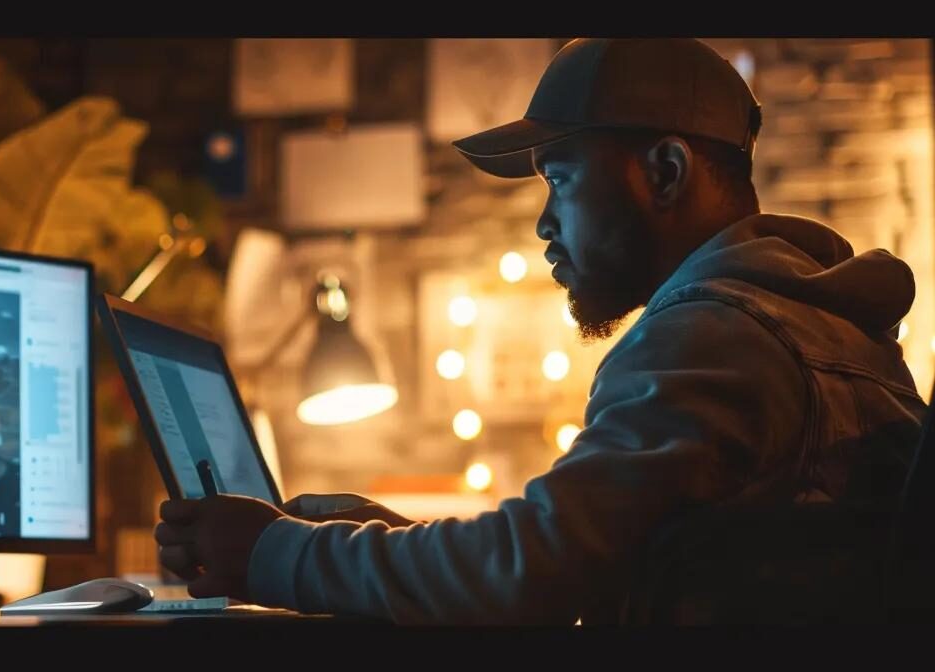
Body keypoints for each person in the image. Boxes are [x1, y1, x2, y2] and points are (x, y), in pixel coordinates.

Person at [155, 38, 926, 625]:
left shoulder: (715, 333)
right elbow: (615, 569)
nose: (543, 223)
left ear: (664, 171)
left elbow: (533, 575)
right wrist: (393, 541)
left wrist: (271, 553)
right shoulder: (828, 327)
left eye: (560, 178)